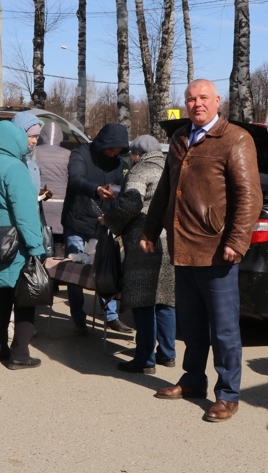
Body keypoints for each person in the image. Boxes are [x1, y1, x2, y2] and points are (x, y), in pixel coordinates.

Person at [141, 79, 262, 423]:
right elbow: (166, 189)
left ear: (217, 100)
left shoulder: (235, 139)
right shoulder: (180, 138)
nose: (197, 104)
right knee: (192, 326)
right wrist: (151, 230)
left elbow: (249, 197)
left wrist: (236, 242)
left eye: (203, 98)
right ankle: (193, 380)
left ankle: (228, 395)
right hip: (183, 248)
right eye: (191, 99)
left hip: (216, 250)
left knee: (224, 330)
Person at [102, 135, 175, 374]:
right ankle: (167, 353)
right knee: (165, 300)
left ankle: (145, 358)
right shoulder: (170, 168)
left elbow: (131, 205)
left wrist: (110, 220)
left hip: (144, 242)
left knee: (143, 301)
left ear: (136, 155)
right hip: (168, 241)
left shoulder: (140, 170)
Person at [0, 120, 46, 369]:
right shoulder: (16, 168)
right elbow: (25, 213)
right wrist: (37, 247)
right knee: (26, 300)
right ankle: (20, 355)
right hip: (15, 244)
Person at [61, 122, 131, 333]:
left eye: (117, 151)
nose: (113, 154)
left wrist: (117, 199)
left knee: (105, 270)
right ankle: (78, 317)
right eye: (111, 149)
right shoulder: (80, 154)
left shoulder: (118, 162)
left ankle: (111, 315)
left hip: (103, 223)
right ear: (102, 144)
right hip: (77, 221)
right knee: (75, 272)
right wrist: (97, 189)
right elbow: (76, 180)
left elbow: (120, 186)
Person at [34, 121, 70, 236]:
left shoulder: (34, 152)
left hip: (41, 203)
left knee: (43, 242)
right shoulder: (68, 154)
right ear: (60, 136)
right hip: (62, 206)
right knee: (59, 246)